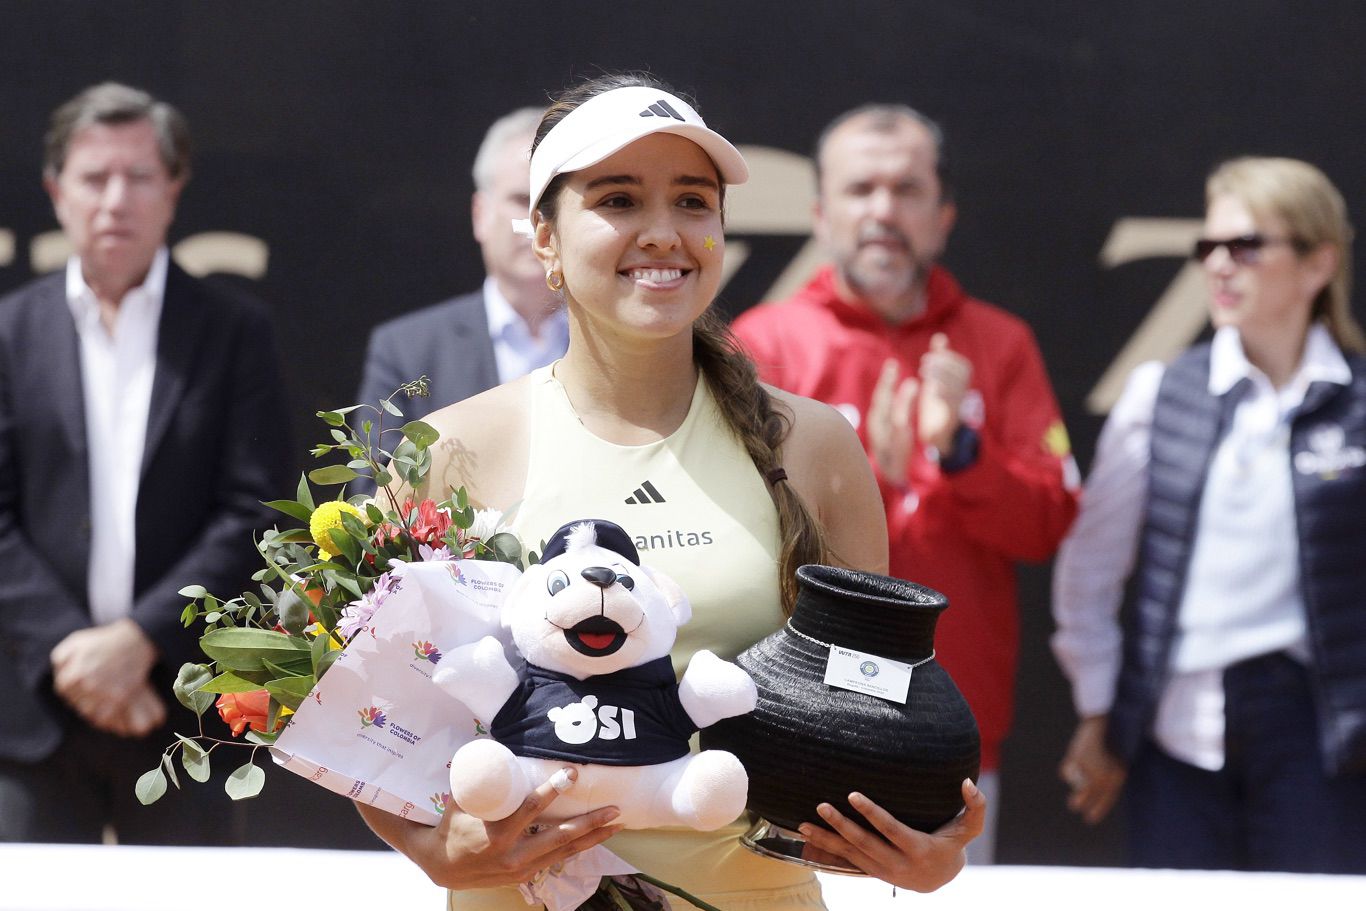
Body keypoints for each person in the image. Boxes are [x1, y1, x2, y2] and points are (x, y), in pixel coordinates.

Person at [354, 74, 984, 909]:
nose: (664, 232)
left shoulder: (818, 445)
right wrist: (431, 845)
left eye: (692, 201)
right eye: (619, 199)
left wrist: (922, 848)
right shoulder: (450, 451)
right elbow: (355, 710)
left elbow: (869, 720)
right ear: (543, 237)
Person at [730, 103, 1078, 863]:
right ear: (821, 214)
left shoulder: (999, 344)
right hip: (794, 719)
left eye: (907, 189)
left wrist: (958, 452)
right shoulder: (763, 342)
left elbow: (1048, 522)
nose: (883, 211)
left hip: (947, 733)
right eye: (861, 189)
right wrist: (866, 485)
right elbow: (733, 536)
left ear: (943, 216)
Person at [1051, 157, 1366, 872]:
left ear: (1318, 263)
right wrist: (1100, 708)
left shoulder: (1356, 401)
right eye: (1208, 246)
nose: (1219, 265)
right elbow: (1090, 568)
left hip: (1322, 739)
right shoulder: (1160, 393)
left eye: (1246, 245)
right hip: (1177, 733)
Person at [0, 82, 291, 844]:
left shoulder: (234, 330)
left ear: (173, 189)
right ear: (56, 192)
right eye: (94, 178)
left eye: (138, 176)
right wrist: (76, 656)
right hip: (33, 706)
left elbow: (254, 508)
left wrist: (138, 641)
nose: (115, 200)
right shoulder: (9, 332)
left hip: (181, 703)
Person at [357, 107, 567, 420]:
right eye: (522, 200)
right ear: (481, 214)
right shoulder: (407, 351)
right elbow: (379, 454)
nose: (539, 222)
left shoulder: (628, 337)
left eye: (552, 202)